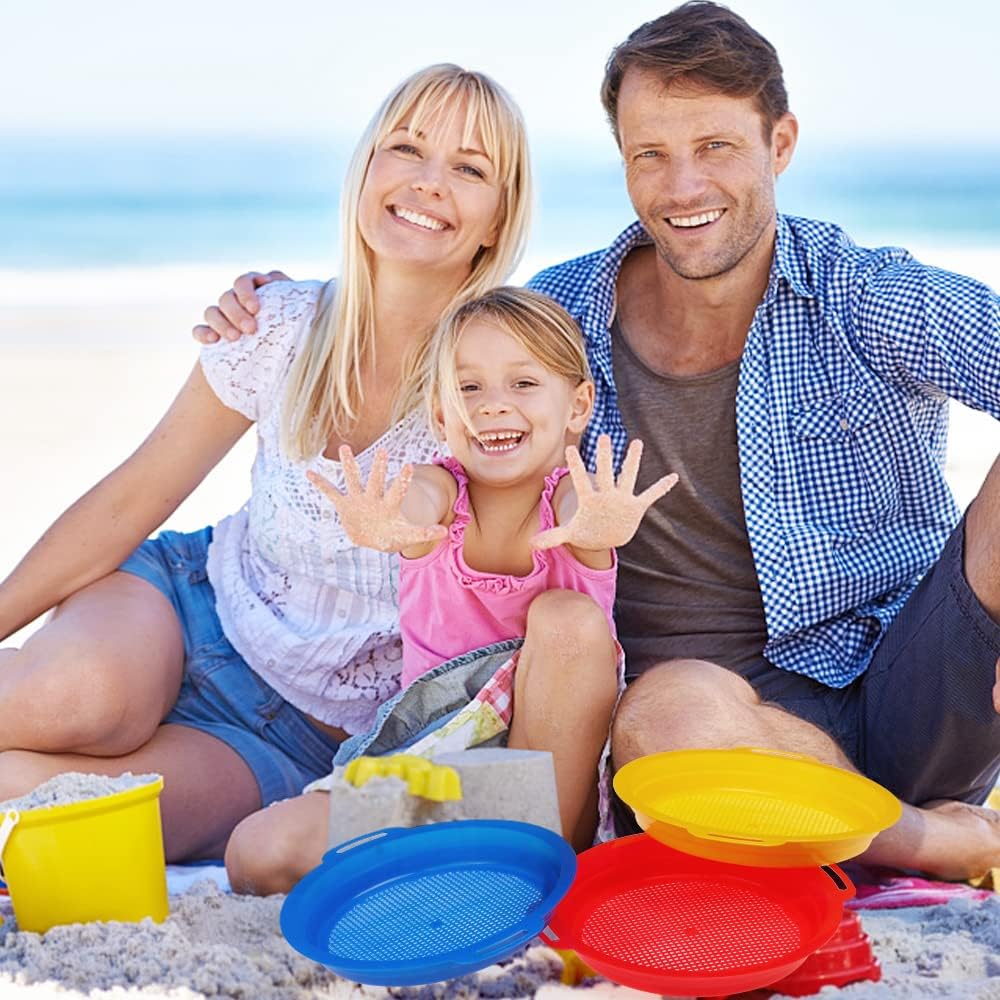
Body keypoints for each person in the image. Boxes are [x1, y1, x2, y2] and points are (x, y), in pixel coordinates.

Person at [198, 3, 1000, 881]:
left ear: (780, 145)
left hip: (913, 690)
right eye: (650, 154)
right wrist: (293, 307)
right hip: (694, 736)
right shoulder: (566, 316)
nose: (682, 187)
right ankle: (918, 842)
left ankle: (872, 822)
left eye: (716, 147)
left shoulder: (863, 296)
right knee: (666, 710)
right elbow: (452, 358)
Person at [0, 64, 536, 863]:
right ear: (367, 170)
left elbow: (517, 597)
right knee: (67, 700)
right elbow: (134, 495)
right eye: (406, 148)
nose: (428, 182)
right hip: (186, 606)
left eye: (469, 168)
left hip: (297, 737)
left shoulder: (499, 394)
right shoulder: (277, 322)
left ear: (498, 219)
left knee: (37, 801)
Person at [223, 286, 677, 892]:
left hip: (553, 791)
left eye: (523, 383)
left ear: (578, 405)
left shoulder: (574, 504)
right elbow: (416, 503)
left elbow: (582, 512)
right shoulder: (439, 492)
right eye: (469, 388)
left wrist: (599, 528)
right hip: (446, 775)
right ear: (441, 418)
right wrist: (386, 521)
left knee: (567, 616)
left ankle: (534, 864)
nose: (493, 405)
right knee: (259, 850)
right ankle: (469, 873)